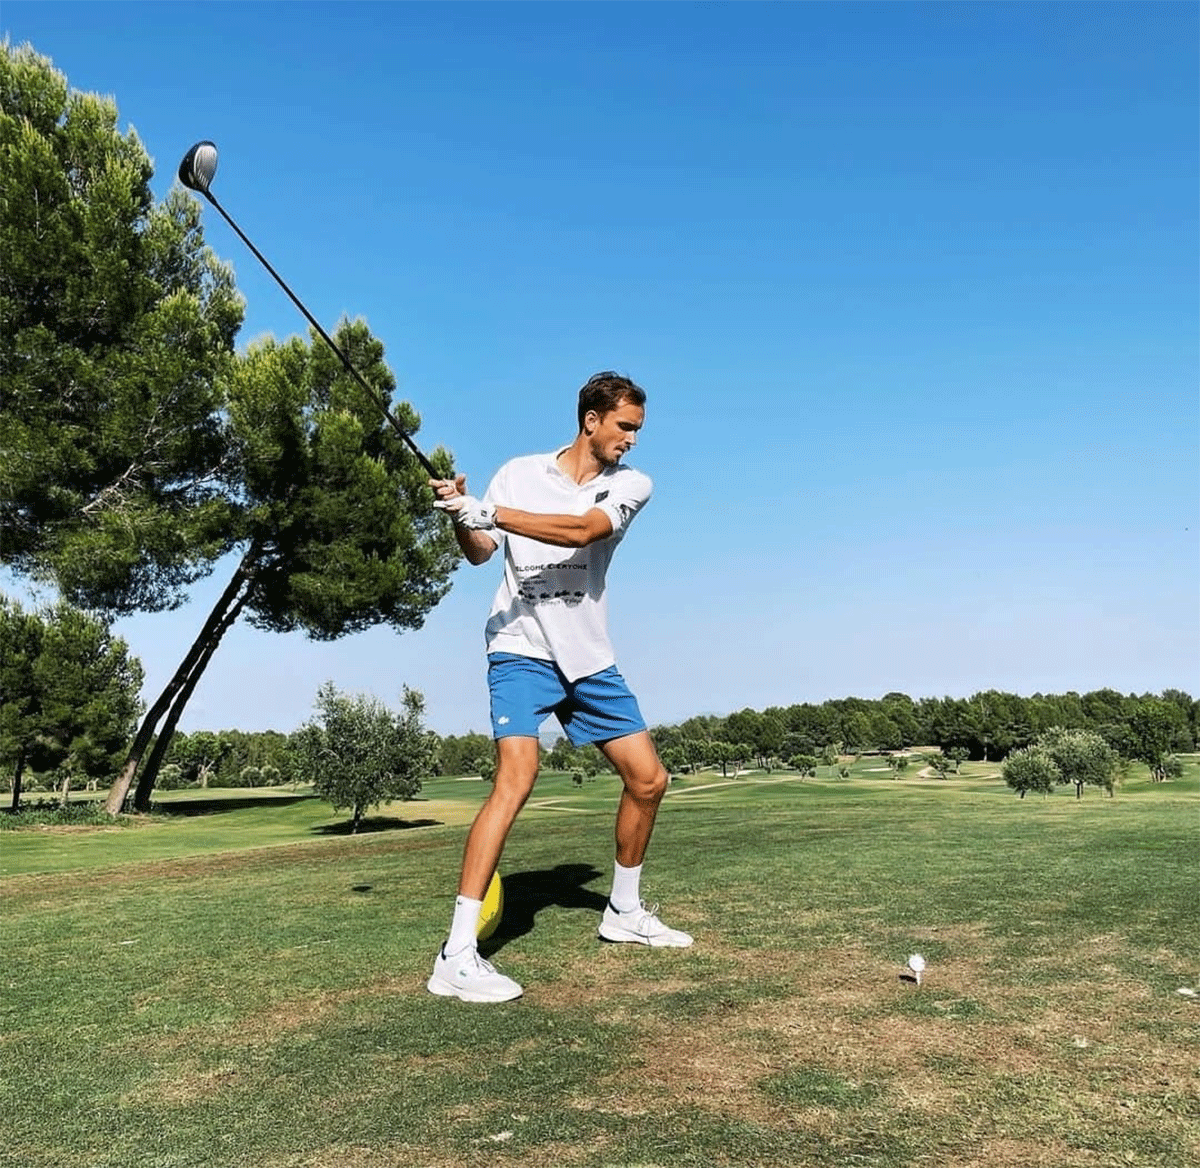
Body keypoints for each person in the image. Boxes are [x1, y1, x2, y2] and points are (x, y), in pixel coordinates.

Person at [425, 371, 692, 1003]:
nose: (631, 440)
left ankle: (623, 913)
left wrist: (488, 510)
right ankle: (455, 954)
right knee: (515, 778)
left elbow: (582, 533)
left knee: (648, 779)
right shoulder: (516, 472)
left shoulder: (630, 485)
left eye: (637, 429)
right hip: (520, 647)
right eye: (625, 426)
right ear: (591, 420)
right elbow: (481, 551)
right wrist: (462, 515)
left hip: (588, 655)